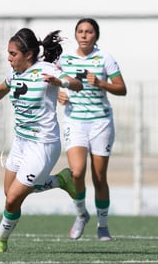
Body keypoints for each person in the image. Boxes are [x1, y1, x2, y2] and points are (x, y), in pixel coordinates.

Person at [0, 27, 82, 253]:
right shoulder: (14, 73)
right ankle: (61, 181)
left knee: (13, 200)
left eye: (13, 54)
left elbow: (77, 84)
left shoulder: (46, 70)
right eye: (8, 53)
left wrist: (60, 82)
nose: (9, 58)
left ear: (28, 55)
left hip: (43, 145)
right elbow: (1, 89)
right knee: (10, 193)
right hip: (21, 143)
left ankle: (0, 241)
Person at [57, 18, 127, 241]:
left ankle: (103, 226)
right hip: (75, 122)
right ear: (76, 34)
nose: (84, 35)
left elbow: (121, 89)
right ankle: (81, 214)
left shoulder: (105, 58)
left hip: (100, 123)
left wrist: (100, 83)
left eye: (89, 32)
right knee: (77, 172)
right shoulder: (64, 58)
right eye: (80, 31)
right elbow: (50, 80)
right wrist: (59, 93)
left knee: (99, 177)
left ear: (96, 36)